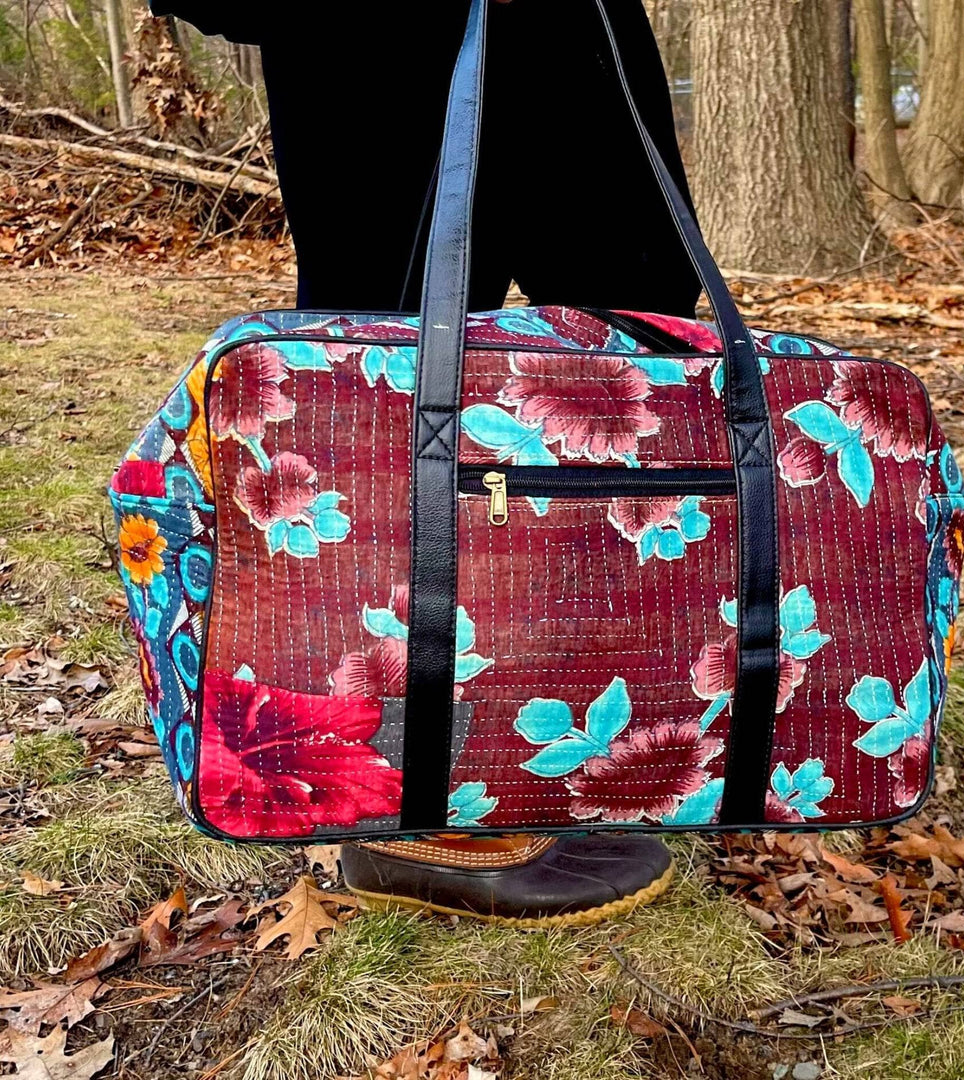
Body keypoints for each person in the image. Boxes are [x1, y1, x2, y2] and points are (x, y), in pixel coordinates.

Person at [151, 0, 702, 927]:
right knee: (382, 353)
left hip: (566, 19)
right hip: (370, 27)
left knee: (642, 332)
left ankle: (616, 696)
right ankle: (399, 800)